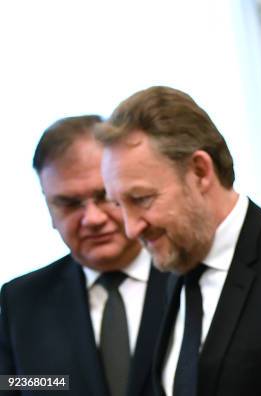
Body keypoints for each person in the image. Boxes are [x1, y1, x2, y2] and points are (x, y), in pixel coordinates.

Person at [95, 86, 261, 396]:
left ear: (200, 171)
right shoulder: (167, 269)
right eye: (118, 205)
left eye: (141, 199)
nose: (131, 228)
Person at [0, 115, 169, 396]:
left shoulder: (189, 275)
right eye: (69, 203)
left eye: (104, 196)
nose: (92, 218)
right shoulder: (22, 301)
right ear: (48, 208)